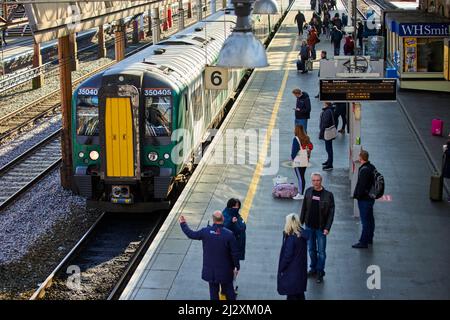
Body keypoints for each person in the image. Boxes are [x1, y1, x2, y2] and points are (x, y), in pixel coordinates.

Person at [179, 211, 240, 300]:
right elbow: (235, 253)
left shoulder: (205, 232)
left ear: (213, 220)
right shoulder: (229, 234)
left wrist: (183, 223)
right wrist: (236, 266)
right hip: (225, 271)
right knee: (229, 291)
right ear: (223, 219)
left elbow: (191, 234)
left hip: (211, 272)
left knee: (213, 293)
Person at [300, 172, 335, 283]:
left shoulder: (328, 195)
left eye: (318, 180)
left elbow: (331, 213)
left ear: (321, 181)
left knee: (322, 252)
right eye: (314, 180)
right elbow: (304, 208)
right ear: (311, 181)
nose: (316, 182)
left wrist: (327, 228)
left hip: (321, 228)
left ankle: (320, 272)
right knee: (311, 250)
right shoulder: (308, 191)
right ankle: (313, 269)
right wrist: (300, 223)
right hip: (309, 226)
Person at [277, 213, 310, 300]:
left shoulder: (291, 238)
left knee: (292, 295)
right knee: (300, 295)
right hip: (300, 272)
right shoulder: (301, 235)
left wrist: (281, 268)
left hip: (292, 273)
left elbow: (287, 256)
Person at [352, 150, 376, 249]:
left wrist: (358, 195)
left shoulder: (364, 170)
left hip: (364, 199)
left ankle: (363, 241)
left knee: (365, 220)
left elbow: (362, 185)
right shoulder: (371, 167)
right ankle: (369, 238)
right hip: (370, 197)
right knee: (370, 218)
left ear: (361, 157)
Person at [291, 125, 314, 200]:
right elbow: (311, 146)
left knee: (300, 177)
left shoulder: (296, 139)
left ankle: (300, 193)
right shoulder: (306, 138)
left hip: (298, 160)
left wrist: (292, 158)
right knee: (302, 176)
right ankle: (301, 192)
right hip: (305, 159)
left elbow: (294, 151)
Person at [319, 102, 335, 171]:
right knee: (328, 147)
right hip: (329, 131)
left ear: (326, 104)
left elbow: (325, 123)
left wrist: (321, 133)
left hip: (327, 132)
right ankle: (328, 161)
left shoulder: (327, 111)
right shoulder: (329, 110)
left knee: (329, 148)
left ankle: (330, 164)